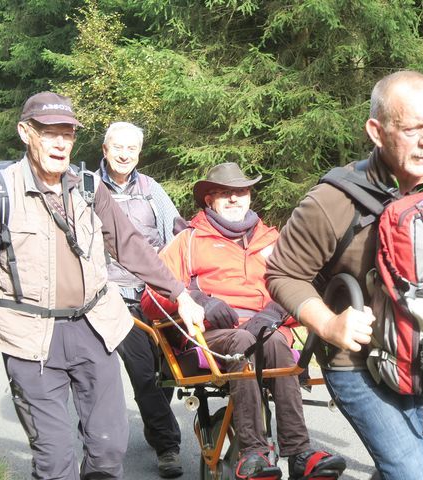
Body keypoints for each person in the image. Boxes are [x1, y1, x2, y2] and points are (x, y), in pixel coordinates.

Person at [265, 71, 423, 480]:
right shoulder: (332, 201)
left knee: (422, 471)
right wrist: (328, 323)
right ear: (376, 131)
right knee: (415, 475)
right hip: (358, 362)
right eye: (413, 128)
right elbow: (282, 272)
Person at [0, 91, 204, 480]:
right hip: (30, 336)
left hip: (95, 327)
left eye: (66, 132)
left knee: (109, 448)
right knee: (54, 460)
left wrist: (180, 293)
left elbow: (131, 245)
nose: (60, 142)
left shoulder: (88, 187)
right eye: (48, 132)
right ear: (24, 133)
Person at [141, 162, 346, 480]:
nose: (235, 199)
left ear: (250, 196)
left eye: (241, 192)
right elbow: (151, 298)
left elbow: (303, 290)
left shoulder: (275, 241)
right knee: (243, 342)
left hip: (268, 331)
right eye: (225, 193)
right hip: (212, 337)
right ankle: (253, 452)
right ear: (209, 199)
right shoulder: (188, 242)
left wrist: (274, 314)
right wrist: (199, 301)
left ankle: (300, 453)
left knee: (273, 341)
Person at [98, 122, 183, 478]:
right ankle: (168, 447)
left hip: (154, 295)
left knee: (171, 372)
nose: (124, 154)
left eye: (131, 149)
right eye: (118, 147)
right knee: (143, 373)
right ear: (104, 149)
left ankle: (155, 423)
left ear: (139, 153)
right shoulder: (88, 189)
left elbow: (175, 233)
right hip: (112, 297)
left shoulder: (152, 190)